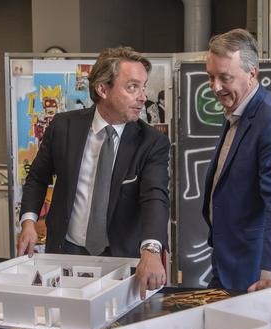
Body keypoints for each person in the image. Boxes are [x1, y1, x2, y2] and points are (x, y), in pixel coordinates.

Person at [17, 47, 170, 299]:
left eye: (143, 87)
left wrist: (152, 250)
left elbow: (155, 196)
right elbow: (37, 177)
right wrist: (29, 221)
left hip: (120, 258)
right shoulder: (64, 127)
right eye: (132, 87)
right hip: (65, 252)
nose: (143, 97)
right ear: (102, 89)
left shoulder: (151, 142)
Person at [202, 29, 271, 292]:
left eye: (225, 77)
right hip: (226, 257)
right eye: (211, 77)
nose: (216, 87)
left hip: (254, 270)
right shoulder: (239, 109)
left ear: (252, 72)